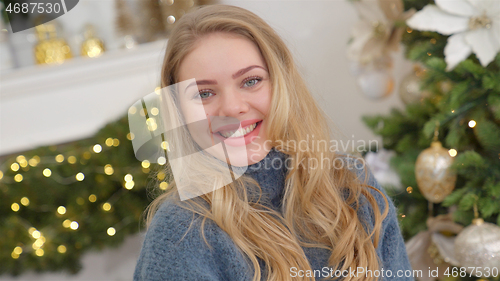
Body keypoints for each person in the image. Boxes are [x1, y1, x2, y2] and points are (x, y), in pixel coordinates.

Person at [133, 4, 412, 281]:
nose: (232, 108)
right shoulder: (180, 231)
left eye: (251, 81)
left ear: (282, 84)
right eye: (204, 93)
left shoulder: (353, 185)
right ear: (179, 110)